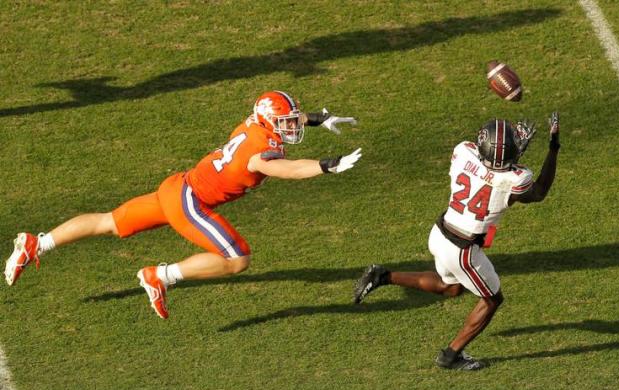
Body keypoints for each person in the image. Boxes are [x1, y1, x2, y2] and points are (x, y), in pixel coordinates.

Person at [4, 90, 361, 319]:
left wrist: (319, 117)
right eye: (286, 122)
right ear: (269, 122)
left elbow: (280, 123)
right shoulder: (258, 152)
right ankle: (160, 275)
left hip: (177, 187)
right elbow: (286, 169)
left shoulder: (252, 125)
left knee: (109, 222)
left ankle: (38, 243)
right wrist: (325, 165)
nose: (293, 126)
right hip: (190, 202)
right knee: (238, 259)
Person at [353, 113, 560, 370]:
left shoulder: (463, 152)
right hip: (463, 250)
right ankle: (451, 356)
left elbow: (489, 165)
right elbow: (538, 192)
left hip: (439, 233)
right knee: (493, 299)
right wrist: (553, 146)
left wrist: (506, 151)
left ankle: (382, 276)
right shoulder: (516, 179)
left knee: (450, 288)